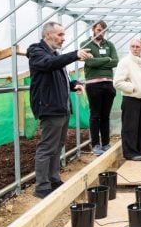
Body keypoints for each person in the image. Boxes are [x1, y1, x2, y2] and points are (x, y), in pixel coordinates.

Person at [27, 21, 92, 199]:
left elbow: (59, 78)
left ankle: (54, 180)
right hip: (50, 107)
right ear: (47, 35)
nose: (63, 39)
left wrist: (74, 85)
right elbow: (49, 64)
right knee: (47, 147)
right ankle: (42, 186)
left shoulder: (55, 54)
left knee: (58, 146)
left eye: (63, 35)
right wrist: (75, 55)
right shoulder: (36, 52)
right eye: (60, 35)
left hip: (61, 107)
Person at [81, 20, 118, 156]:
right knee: (95, 115)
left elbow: (115, 61)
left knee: (105, 115)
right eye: (98, 30)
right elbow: (89, 63)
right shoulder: (85, 44)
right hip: (93, 84)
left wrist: (99, 61)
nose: (101, 33)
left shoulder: (109, 45)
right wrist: (106, 59)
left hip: (108, 84)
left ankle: (106, 143)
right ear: (93, 30)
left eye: (103, 30)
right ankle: (96, 145)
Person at [114, 38, 141, 161]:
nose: (135, 49)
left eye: (138, 46)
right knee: (130, 126)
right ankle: (130, 152)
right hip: (131, 98)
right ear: (129, 48)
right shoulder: (125, 62)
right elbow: (117, 82)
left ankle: (140, 150)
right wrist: (132, 88)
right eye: (133, 46)